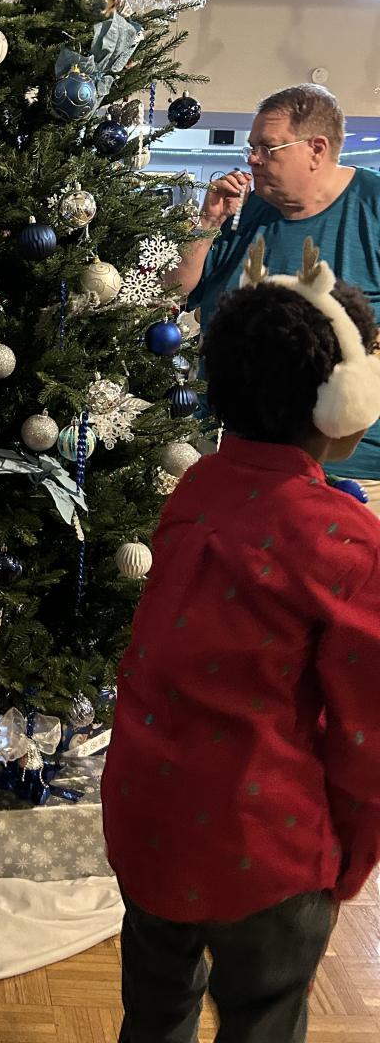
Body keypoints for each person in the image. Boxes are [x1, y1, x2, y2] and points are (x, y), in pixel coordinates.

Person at [102, 236, 380, 1042]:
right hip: (268, 848)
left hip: (146, 820)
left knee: (154, 1013)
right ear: (342, 400)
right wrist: (350, 861)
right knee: (263, 1021)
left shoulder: (195, 486)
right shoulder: (345, 542)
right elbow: (368, 736)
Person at [167, 83, 380, 501]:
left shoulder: (372, 207)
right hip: (235, 456)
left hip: (350, 473)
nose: (253, 159)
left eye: (268, 148)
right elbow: (174, 289)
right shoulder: (242, 211)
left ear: (316, 149)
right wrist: (207, 223)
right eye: (252, 148)